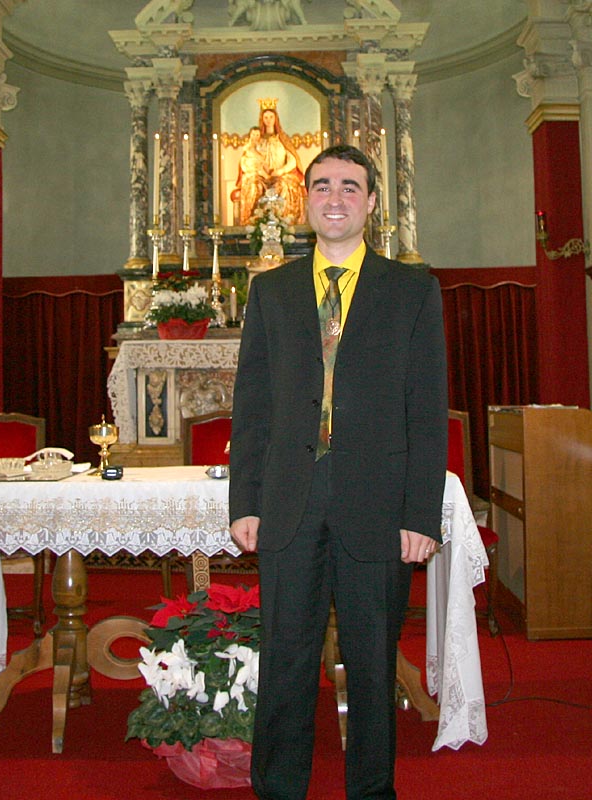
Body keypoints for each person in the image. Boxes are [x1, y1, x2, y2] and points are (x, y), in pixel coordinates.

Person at [229, 144, 447, 800]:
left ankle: (372, 791)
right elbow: (253, 405)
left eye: (350, 186)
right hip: (290, 501)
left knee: (373, 666)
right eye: (322, 185)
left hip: (377, 504)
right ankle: (278, 788)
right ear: (306, 200)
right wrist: (245, 502)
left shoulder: (411, 289)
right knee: (286, 661)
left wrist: (420, 516)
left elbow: (426, 411)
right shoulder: (271, 291)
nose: (335, 197)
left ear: (371, 202)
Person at [257, 106, 306, 224]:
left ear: (276, 119)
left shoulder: (282, 138)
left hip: (280, 174)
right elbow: (251, 159)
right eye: (266, 117)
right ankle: (258, 220)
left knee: (285, 185)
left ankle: (284, 220)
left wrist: (281, 171)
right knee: (253, 185)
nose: (268, 120)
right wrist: (262, 172)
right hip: (262, 175)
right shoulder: (258, 140)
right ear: (262, 119)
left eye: (271, 117)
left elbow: (292, 160)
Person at [235, 126, 270, 224]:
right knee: (254, 187)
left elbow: (266, 165)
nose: (255, 137)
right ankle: (249, 215)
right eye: (253, 134)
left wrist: (262, 171)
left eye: (257, 135)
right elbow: (243, 165)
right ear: (250, 135)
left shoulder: (263, 149)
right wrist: (253, 171)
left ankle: (259, 215)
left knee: (261, 186)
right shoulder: (247, 149)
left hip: (260, 176)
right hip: (250, 176)